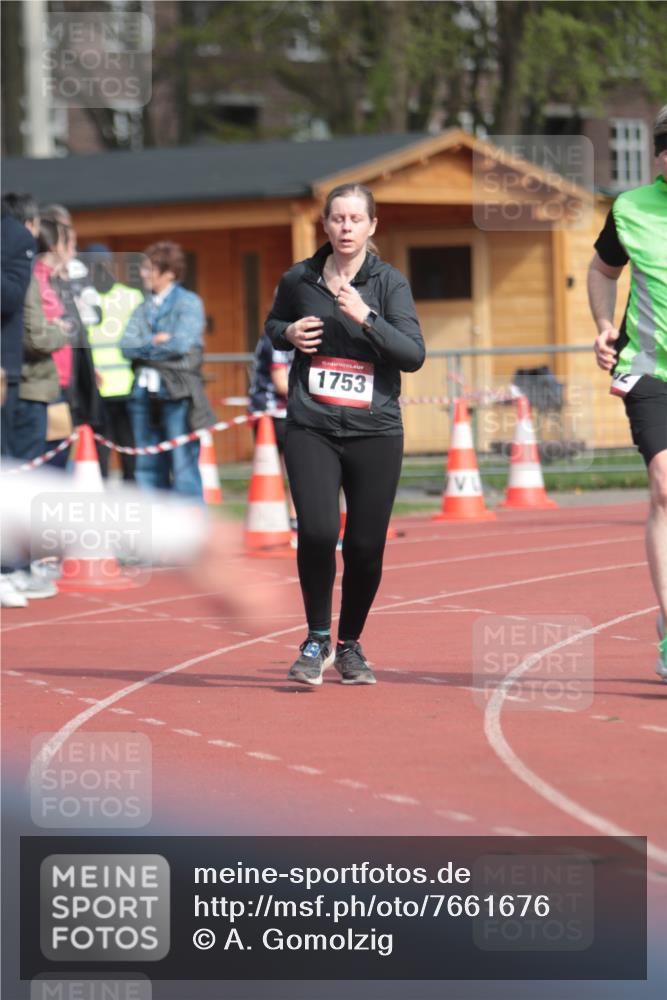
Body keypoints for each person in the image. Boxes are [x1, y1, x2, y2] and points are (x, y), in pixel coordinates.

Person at [266, 182, 425, 686]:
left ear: (372, 226)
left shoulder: (388, 283)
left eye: (356, 219)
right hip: (312, 422)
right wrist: (286, 334)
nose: (346, 228)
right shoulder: (300, 278)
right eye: (337, 219)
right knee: (315, 531)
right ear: (326, 224)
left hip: (375, 429)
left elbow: (413, 355)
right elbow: (272, 323)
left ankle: (350, 643)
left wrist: (368, 318)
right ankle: (315, 638)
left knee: (364, 546)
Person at [589, 105, 667, 681]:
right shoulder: (632, 209)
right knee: (666, 489)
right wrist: (602, 325)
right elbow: (601, 271)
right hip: (650, 369)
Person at [120, 241, 214, 497]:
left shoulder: (189, 302)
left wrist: (146, 348)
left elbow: (182, 344)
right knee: (146, 466)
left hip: (178, 394)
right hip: (141, 394)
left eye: (150, 269)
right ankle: (154, 532)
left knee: (183, 466)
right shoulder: (142, 306)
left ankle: (190, 530)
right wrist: (156, 341)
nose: (143, 275)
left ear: (170, 272)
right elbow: (125, 345)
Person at [84, 244, 144, 480]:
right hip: (118, 385)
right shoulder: (131, 296)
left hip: (106, 386)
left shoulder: (85, 298)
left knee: (105, 450)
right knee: (127, 448)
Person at [248, 332, 297, 531]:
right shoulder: (278, 339)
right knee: (290, 470)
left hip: (279, 412)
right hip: (274, 413)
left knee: (293, 470)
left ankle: (292, 520)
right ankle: (289, 520)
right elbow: (281, 383)